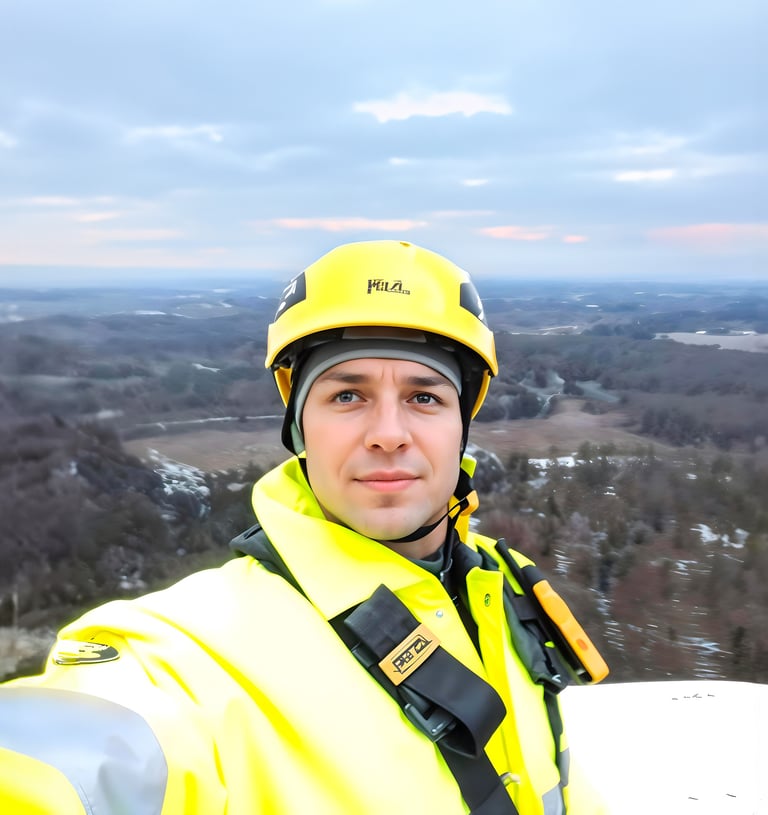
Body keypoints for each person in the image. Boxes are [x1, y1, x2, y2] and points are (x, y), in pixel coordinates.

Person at [0, 240, 607, 814]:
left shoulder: (501, 591)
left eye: (425, 398)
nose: (389, 433)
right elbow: (71, 760)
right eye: (347, 396)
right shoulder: (195, 650)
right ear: (298, 426)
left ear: (461, 426)